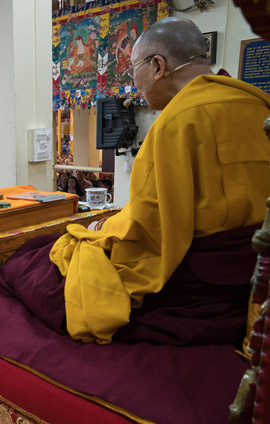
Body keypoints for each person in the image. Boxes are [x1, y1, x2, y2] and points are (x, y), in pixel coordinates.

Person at [16, 17, 270, 346]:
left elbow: (150, 228)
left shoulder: (177, 122)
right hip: (254, 267)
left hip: (199, 275)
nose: (133, 82)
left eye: (133, 69)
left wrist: (97, 230)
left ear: (157, 66)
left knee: (34, 261)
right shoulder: (258, 105)